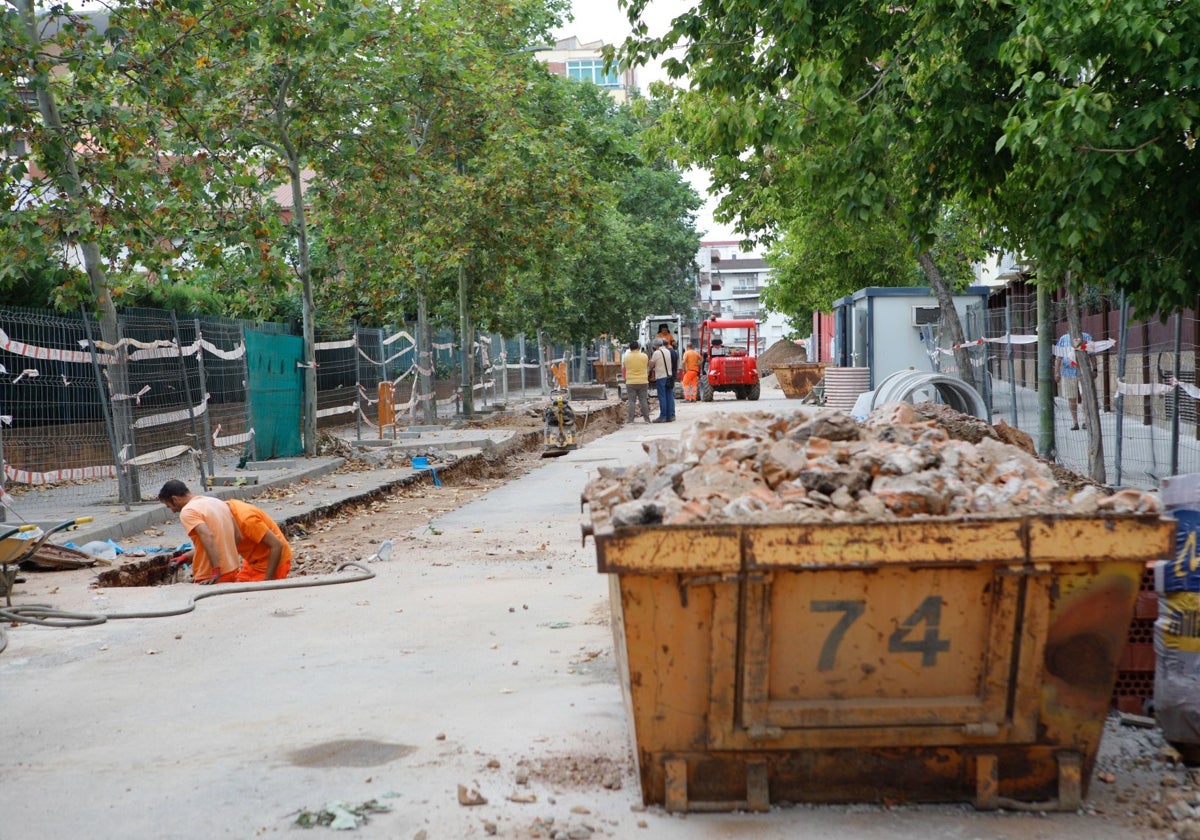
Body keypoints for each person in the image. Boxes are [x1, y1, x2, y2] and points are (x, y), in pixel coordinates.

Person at [157, 480, 240, 584]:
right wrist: (185, 557)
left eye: (170, 506)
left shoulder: (188, 511)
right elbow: (237, 537)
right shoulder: (218, 503)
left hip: (210, 576)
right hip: (232, 570)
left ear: (175, 499)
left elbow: (208, 537)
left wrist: (216, 569)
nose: (173, 511)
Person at [228, 498, 293, 582]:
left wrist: (267, 582)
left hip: (272, 562)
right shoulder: (224, 507)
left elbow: (277, 545)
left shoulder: (248, 520)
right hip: (253, 561)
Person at [1054, 331, 1095, 430]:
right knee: (1071, 398)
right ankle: (1075, 422)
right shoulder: (1063, 339)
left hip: (1083, 371)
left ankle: (1086, 421)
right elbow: (1058, 357)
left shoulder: (1086, 337)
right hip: (1068, 372)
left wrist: (1095, 369)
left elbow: (1093, 355)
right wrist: (1057, 372)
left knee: (1084, 396)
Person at [621, 340, 652, 424]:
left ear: (630, 348)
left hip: (631, 382)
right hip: (643, 381)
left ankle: (631, 420)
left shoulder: (626, 357)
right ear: (638, 347)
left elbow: (624, 368)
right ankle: (647, 420)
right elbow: (648, 365)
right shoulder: (644, 356)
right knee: (643, 400)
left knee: (631, 401)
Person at [650, 337, 677, 422]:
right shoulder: (668, 351)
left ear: (656, 345)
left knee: (662, 397)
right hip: (669, 376)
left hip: (661, 377)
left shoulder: (656, 353)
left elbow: (651, 365)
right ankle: (670, 416)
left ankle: (663, 416)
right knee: (669, 396)